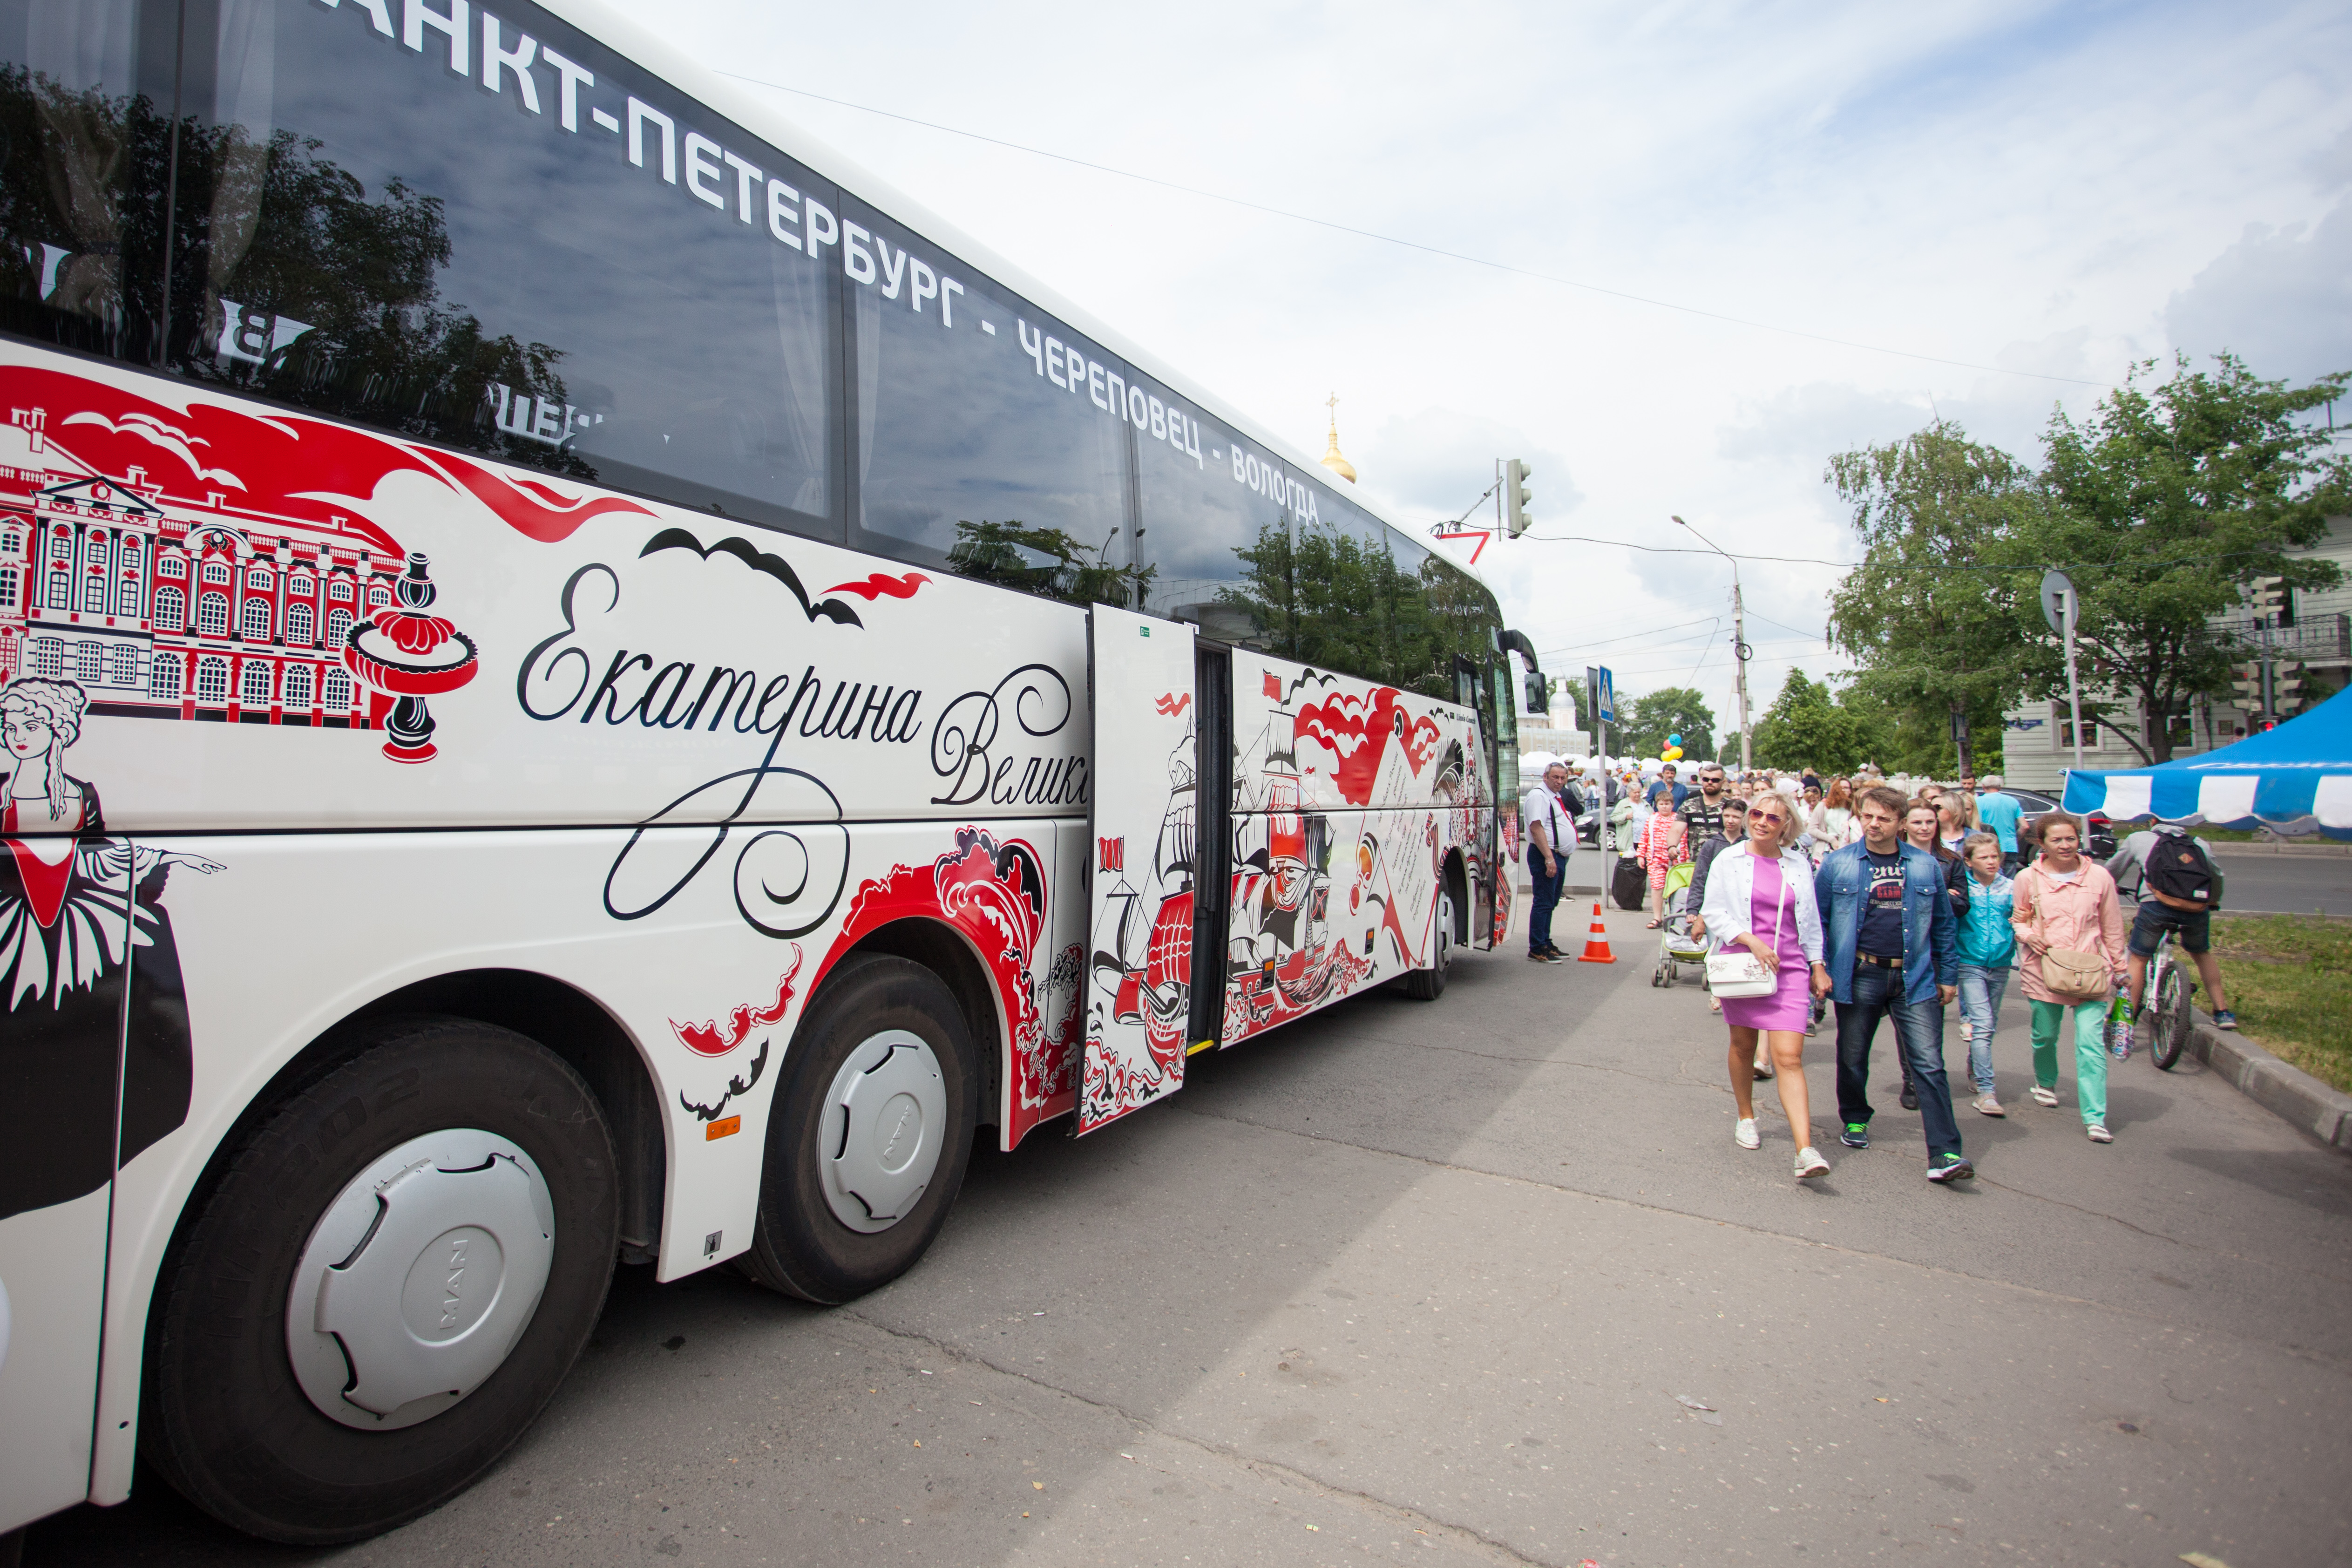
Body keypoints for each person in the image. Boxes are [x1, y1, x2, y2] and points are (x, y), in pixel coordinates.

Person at [1815, 786, 1973, 1182]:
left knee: (1930, 1064)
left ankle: (1945, 1152)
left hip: (1914, 976)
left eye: (1883, 818)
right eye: (1867, 816)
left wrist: (1949, 975)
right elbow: (1816, 921)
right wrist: (1818, 969)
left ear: (1901, 823)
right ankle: (1854, 1118)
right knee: (1853, 1056)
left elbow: (1942, 925)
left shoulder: (1924, 866)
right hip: (1860, 972)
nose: (1874, 824)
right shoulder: (1838, 864)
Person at [1700, 788, 1833, 1178]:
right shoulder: (1730, 859)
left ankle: (1805, 1149)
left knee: (1788, 1057)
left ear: (1786, 825)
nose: (1761, 821)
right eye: (1756, 813)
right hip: (1744, 963)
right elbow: (1714, 911)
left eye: (1772, 818)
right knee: (1743, 1045)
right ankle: (1745, 1115)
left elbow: (1809, 921)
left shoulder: (1797, 864)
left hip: (1788, 967)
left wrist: (1817, 964)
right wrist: (1750, 940)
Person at [2009, 813, 2128, 1142]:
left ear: (2079, 839)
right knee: (2044, 1035)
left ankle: (2095, 1117)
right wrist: (2027, 934)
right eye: (2056, 840)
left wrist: (2120, 968)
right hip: (2043, 968)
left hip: (2091, 970)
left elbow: (2112, 926)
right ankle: (2045, 1081)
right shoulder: (2026, 879)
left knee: (2090, 1046)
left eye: (2070, 838)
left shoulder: (2100, 877)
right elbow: (2019, 918)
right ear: (2041, 844)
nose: (2065, 845)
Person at [2114, 822, 2237, 1031]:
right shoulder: (2200, 845)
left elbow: (2111, 871)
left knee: (2139, 958)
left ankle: (2125, 1023)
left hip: (2155, 907)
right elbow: (2216, 876)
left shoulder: (2139, 839)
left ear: (2153, 822)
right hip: (2195, 909)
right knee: (2202, 954)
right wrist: (2213, 901)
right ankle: (2222, 1012)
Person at [1952, 831, 2016, 1116]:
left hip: (2001, 963)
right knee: (1983, 1023)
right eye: (1984, 857)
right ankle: (1987, 1091)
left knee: (1990, 1023)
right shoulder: (1963, 888)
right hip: (1970, 963)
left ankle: (1975, 1065)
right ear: (1968, 861)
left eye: (1996, 856)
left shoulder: (2012, 887)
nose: (1992, 862)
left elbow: (2022, 918)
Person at [1522, 761, 1578, 963]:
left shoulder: (1554, 796)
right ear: (1545, 777)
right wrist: (1549, 858)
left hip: (1557, 856)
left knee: (1551, 902)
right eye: (1555, 777)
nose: (1560, 781)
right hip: (1546, 855)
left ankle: (1544, 942)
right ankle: (1537, 947)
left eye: (1563, 778)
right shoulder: (1539, 796)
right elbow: (1536, 827)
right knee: (1544, 902)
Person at [1637, 781, 1689, 929]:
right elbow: (1645, 838)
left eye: (1667, 804)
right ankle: (1657, 918)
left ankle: (1675, 917)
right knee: (1657, 887)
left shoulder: (1678, 819)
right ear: (1657, 805)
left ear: (1673, 805)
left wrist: (1684, 858)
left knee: (1677, 889)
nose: (1664, 806)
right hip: (1656, 859)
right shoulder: (1652, 819)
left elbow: (1684, 839)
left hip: (1676, 860)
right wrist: (1641, 855)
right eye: (1661, 804)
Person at [1975, 774, 2025, 874]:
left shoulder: (1979, 802)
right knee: (2009, 883)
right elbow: (2024, 826)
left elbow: (1977, 826)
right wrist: (2014, 840)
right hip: (2010, 847)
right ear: (2000, 787)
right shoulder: (2013, 801)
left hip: (1989, 848)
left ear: (1983, 786)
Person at [1679, 763, 1730, 847]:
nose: (1710, 782)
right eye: (1706, 779)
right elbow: (1677, 830)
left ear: (1723, 782)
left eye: (1715, 780)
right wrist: (1672, 847)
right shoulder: (1689, 805)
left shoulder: (1731, 806)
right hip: (1696, 858)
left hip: (1723, 857)